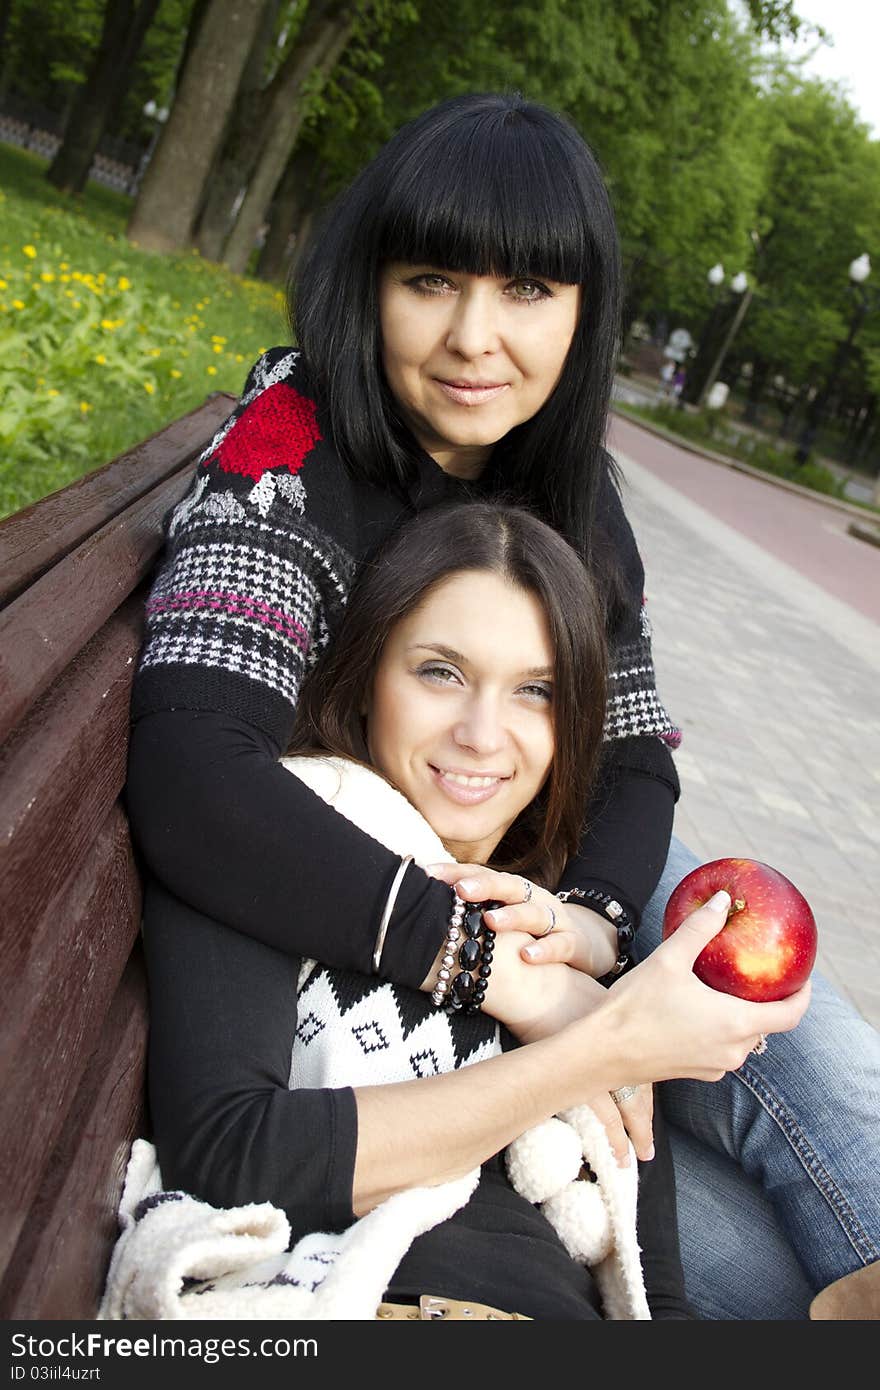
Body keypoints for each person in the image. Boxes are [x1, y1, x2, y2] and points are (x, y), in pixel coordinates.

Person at [127, 92, 880, 1319]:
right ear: (370, 281)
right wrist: (492, 967)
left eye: (528, 292)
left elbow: (634, 764)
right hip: (363, 905)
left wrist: (585, 925)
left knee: (770, 1000)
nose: (476, 337)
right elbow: (195, 767)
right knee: (762, 1250)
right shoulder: (291, 453)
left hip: (536, 889)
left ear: (584, 312)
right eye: (432, 280)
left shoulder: (573, 492)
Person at [141, 502, 806, 1321]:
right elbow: (230, 1155)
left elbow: (652, 1284)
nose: (483, 734)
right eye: (440, 673)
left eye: (536, 691)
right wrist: (594, 1051)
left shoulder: (571, 940)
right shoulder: (271, 849)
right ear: (366, 679)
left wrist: (607, 1031)